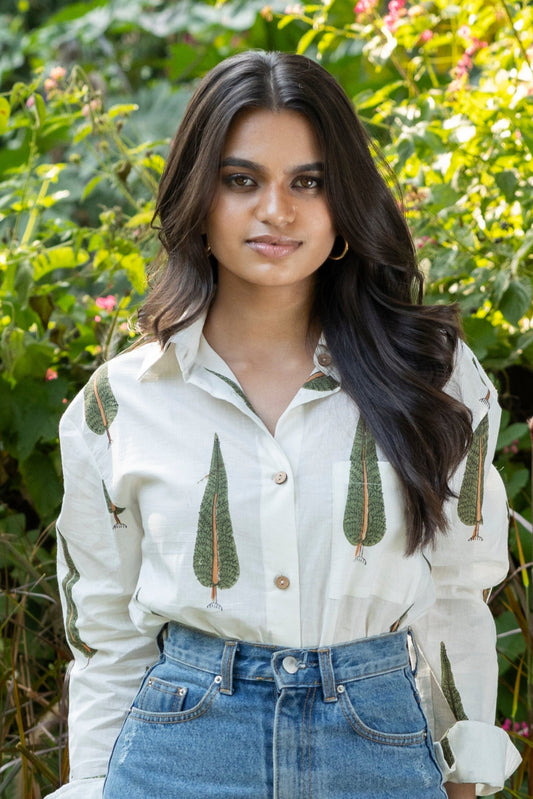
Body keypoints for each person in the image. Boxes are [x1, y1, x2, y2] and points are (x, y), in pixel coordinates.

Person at [49, 50, 520, 799]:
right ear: (199, 198)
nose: (277, 210)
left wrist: (465, 776)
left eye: (308, 182)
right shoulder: (120, 403)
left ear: (344, 204)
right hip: (178, 757)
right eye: (242, 180)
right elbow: (107, 640)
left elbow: (459, 595)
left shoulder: (433, 377)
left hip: (382, 755)